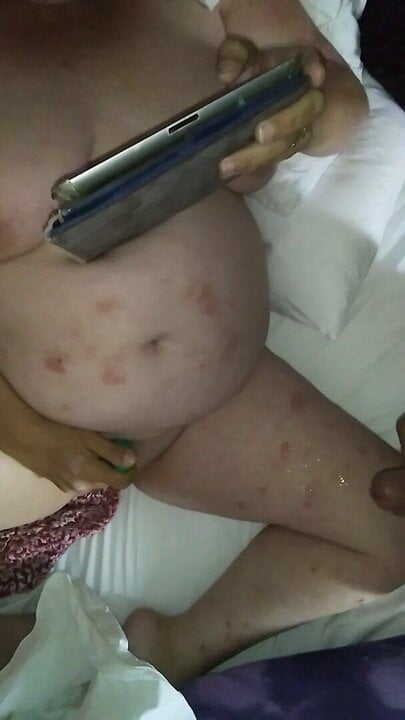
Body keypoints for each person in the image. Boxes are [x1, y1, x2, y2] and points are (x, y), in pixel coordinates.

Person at [1, 0, 403, 683]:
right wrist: (22, 430)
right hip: (24, 435)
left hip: (208, 405)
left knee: (390, 530)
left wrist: (306, 103)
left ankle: (172, 650)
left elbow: (340, 104)